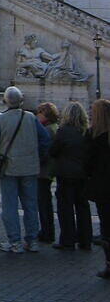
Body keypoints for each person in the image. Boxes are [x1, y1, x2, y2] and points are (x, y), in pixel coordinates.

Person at [0, 86, 51, 254]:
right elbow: (45, 139)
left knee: (10, 206)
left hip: (9, 167)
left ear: (5, 101)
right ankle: (32, 240)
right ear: (21, 100)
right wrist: (37, 155)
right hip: (30, 167)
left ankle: (14, 241)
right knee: (31, 205)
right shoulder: (31, 118)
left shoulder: (0, 120)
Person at [49, 102, 91, 251]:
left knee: (65, 207)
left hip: (65, 173)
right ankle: (85, 240)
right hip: (83, 173)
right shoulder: (87, 131)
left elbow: (53, 151)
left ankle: (68, 239)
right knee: (83, 207)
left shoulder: (63, 131)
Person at [85, 99, 110, 279]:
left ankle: (109, 264)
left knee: (106, 225)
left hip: (102, 187)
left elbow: (88, 162)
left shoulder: (94, 135)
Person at [35, 102, 59, 242]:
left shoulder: (48, 130)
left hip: (44, 171)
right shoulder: (53, 128)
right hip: (49, 169)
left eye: (40, 113)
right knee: (44, 201)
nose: (37, 116)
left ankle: (47, 232)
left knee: (43, 202)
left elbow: (44, 151)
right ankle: (47, 231)